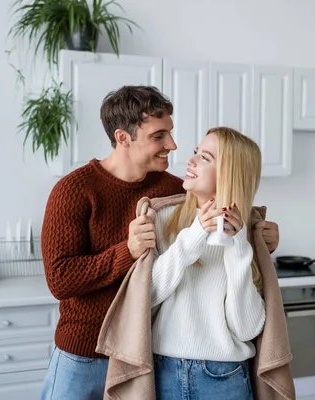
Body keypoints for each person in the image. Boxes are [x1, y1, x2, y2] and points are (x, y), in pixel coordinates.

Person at [40, 86, 280, 400]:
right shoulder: (73, 190)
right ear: (123, 137)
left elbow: (224, 198)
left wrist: (259, 236)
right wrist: (126, 252)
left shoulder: (172, 191)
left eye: (170, 133)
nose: (172, 145)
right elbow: (60, 280)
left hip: (145, 352)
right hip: (84, 352)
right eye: (159, 135)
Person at [150, 127, 264, 399]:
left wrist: (238, 249)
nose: (190, 161)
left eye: (205, 157)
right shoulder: (162, 218)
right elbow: (148, 295)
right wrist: (197, 233)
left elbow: (247, 328)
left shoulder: (248, 232)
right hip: (163, 370)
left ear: (228, 173)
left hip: (224, 376)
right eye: (195, 153)